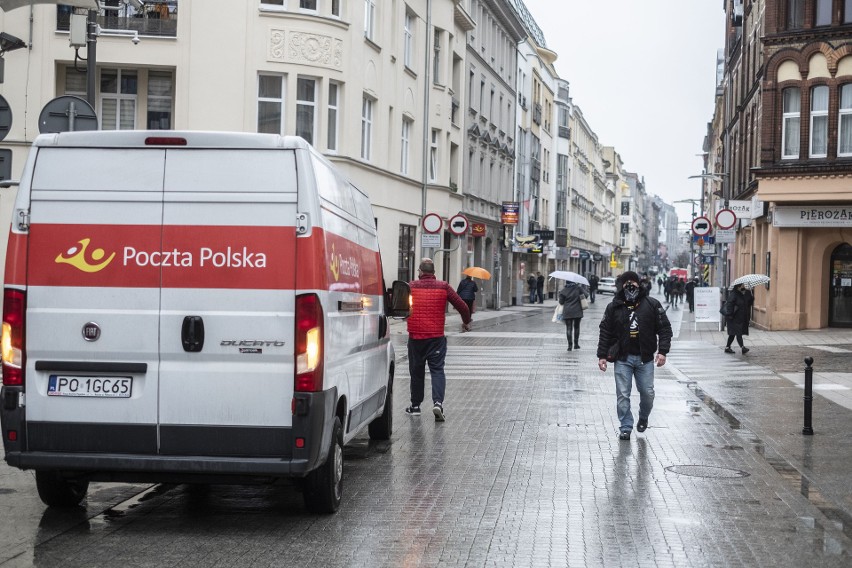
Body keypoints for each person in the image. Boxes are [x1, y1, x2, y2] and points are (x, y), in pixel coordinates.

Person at [597, 271, 672, 441]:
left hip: (645, 358)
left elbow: (664, 329)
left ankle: (643, 416)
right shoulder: (614, 306)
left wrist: (662, 352)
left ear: (639, 284)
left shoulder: (652, 304)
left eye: (633, 283)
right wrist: (602, 355)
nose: (630, 286)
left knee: (647, 393)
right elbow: (605, 331)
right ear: (622, 286)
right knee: (623, 394)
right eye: (626, 283)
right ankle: (626, 427)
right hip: (622, 358)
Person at [406, 259, 471, 421]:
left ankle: (415, 406)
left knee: (416, 371)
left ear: (420, 271)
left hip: (415, 337)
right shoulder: (444, 286)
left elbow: (396, 302)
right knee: (437, 370)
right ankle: (438, 403)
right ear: (433, 272)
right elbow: (462, 305)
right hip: (436, 337)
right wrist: (465, 321)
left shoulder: (410, 286)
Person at [723, 284, 754, 354]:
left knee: (732, 334)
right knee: (738, 332)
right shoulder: (733, 294)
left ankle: (727, 347)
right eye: (742, 286)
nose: (743, 287)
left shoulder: (741, 294)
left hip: (739, 317)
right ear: (738, 287)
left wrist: (751, 296)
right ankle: (742, 347)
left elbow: (748, 303)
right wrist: (730, 314)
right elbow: (729, 304)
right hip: (733, 318)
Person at [558, 281, 587, 351]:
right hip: (577, 311)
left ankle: (569, 346)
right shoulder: (578, 288)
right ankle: (576, 344)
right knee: (577, 327)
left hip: (568, 311)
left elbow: (561, 302)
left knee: (569, 328)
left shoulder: (563, 290)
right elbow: (586, 295)